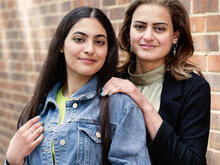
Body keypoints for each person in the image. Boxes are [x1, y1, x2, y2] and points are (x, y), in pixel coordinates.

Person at [5, 6, 151, 165]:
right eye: (79, 39)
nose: (90, 49)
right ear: (61, 45)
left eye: (99, 42)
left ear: (108, 49)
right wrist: (12, 160)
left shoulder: (121, 107)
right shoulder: (36, 109)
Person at [101, 0, 210, 165]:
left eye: (160, 29)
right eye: (140, 27)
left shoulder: (194, 88)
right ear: (129, 32)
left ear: (175, 36)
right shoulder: (109, 80)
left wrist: (142, 102)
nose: (148, 36)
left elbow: (192, 161)